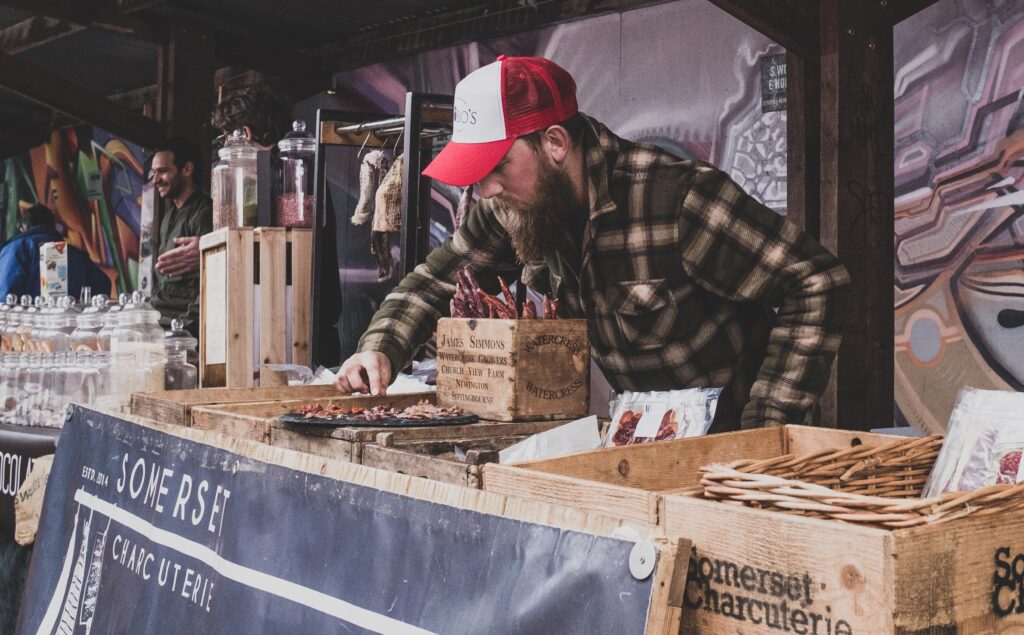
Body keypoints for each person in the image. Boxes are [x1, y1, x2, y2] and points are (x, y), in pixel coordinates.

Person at [334, 56, 850, 431]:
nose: (484, 189)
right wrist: (380, 349)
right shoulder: (515, 206)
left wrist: (767, 425)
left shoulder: (677, 199)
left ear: (555, 143)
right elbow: (433, 281)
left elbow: (816, 280)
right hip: (643, 439)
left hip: (734, 453)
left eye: (495, 167)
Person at [149, 137, 213, 336]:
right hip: (160, 318)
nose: (155, 180)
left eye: (163, 171)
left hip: (181, 326)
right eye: (154, 173)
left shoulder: (204, 213)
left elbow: (211, 283)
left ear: (187, 169)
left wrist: (184, 329)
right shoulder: (169, 217)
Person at [0, 204, 112, 299]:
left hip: (27, 322)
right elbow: (102, 285)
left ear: (24, 226)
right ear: (53, 226)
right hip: (67, 321)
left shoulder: (16, 250)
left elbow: (4, 292)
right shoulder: (75, 254)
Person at [210, 86, 291, 150]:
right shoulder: (291, 162)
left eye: (226, 138)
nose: (225, 146)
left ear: (244, 134)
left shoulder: (259, 168)